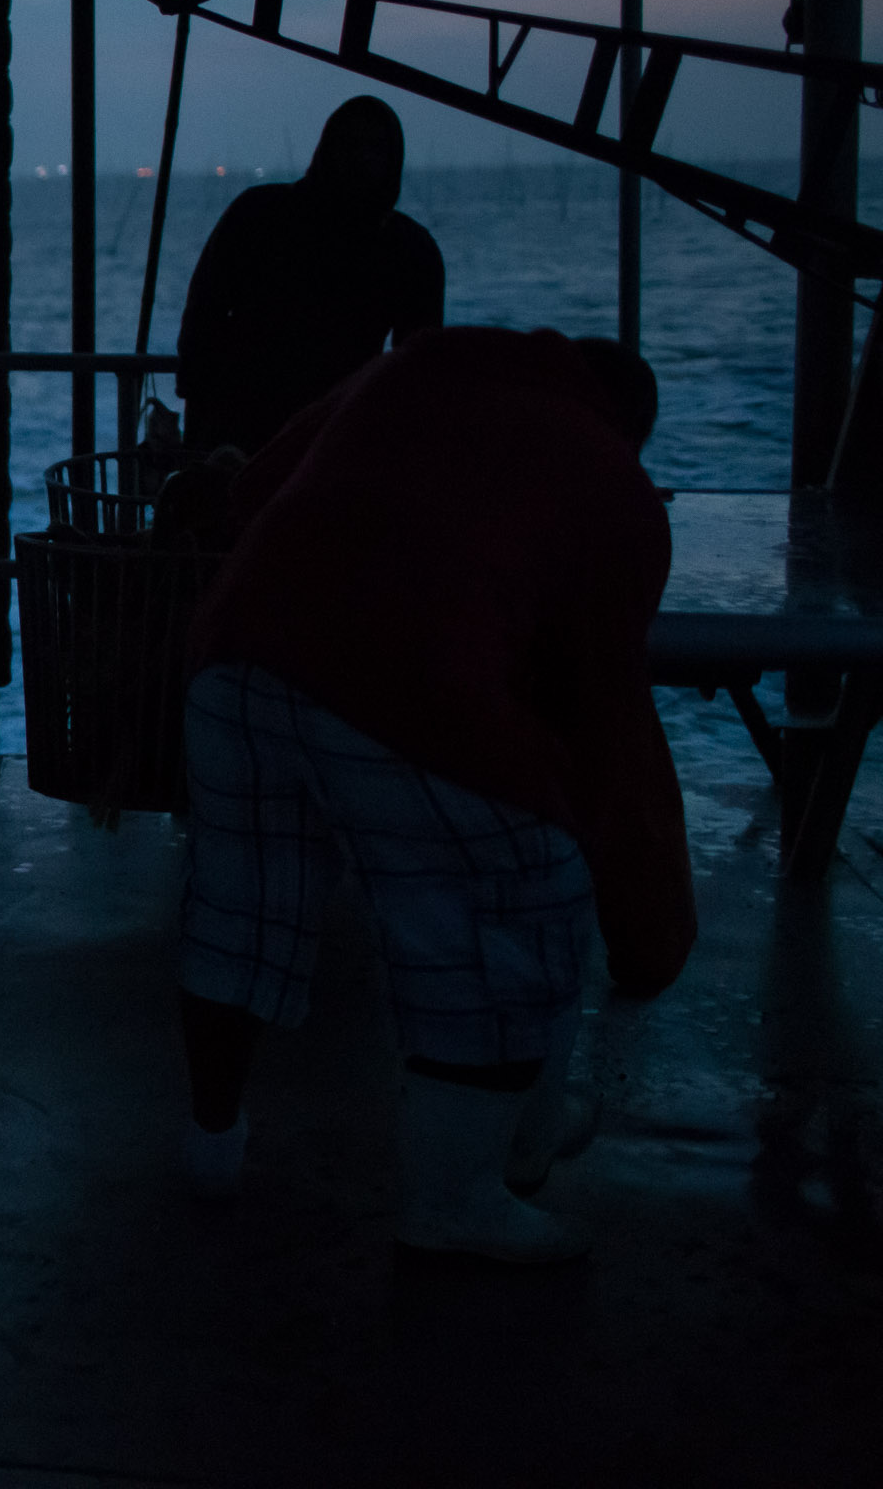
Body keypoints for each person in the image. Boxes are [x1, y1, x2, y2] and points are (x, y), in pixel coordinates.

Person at [173, 327, 688, 1264]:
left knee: (237, 911)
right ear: (630, 431)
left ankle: (210, 1147)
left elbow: (255, 490)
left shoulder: (418, 364)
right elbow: (606, 718)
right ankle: (459, 1198)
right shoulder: (617, 488)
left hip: (241, 649)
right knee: (517, 903)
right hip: (405, 681)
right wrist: (645, 919)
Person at [173, 96, 444, 452]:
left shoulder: (410, 250)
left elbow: (416, 372)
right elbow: (201, 324)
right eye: (353, 145)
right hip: (280, 440)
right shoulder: (408, 247)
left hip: (330, 443)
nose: (362, 158)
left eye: (375, 149)